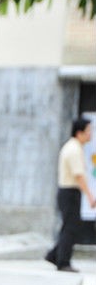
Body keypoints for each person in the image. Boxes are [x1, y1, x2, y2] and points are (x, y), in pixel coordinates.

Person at [45, 117, 96, 273]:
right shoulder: (73, 149)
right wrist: (90, 196)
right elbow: (78, 175)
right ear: (79, 133)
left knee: (70, 226)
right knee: (71, 227)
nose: (90, 134)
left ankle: (54, 255)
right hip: (69, 192)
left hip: (69, 192)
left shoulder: (75, 147)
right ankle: (63, 262)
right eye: (88, 131)